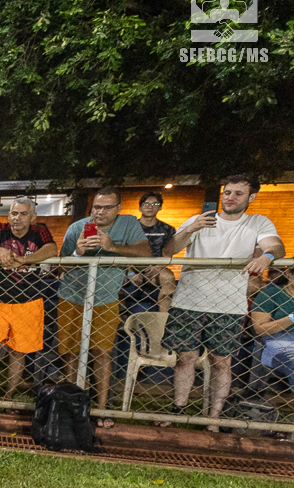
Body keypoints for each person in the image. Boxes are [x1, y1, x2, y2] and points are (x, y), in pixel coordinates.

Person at [162, 174, 284, 424]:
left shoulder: (257, 221)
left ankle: (214, 419)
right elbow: (169, 250)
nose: (230, 197)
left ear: (251, 197)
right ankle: (177, 411)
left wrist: (267, 257)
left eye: (238, 193)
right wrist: (191, 229)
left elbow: (276, 246)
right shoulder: (199, 220)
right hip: (189, 299)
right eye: (227, 192)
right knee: (185, 358)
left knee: (221, 362)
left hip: (229, 304)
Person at [59, 188, 150, 425]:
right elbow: (61, 266)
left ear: (119, 207)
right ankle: (72, 405)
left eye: (107, 207)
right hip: (72, 296)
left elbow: (145, 252)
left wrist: (113, 247)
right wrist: (78, 252)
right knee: (70, 352)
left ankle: (101, 408)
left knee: (102, 352)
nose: (100, 212)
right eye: (97, 207)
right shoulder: (77, 227)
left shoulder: (128, 224)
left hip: (106, 298)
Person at [0, 197, 57, 404]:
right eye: (14, 213)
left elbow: (51, 249)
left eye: (23, 214)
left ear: (33, 217)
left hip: (28, 301)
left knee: (19, 352)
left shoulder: (40, 231)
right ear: (8, 215)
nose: (17, 218)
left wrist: (24, 260)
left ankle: (9, 396)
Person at [129, 191, 177, 312]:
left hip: (157, 267)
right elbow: (123, 252)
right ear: (140, 207)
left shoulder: (167, 229)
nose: (150, 207)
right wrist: (130, 272)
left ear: (160, 207)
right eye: (146, 204)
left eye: (154, 204)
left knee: (168, 277)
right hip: (131, 266)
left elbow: (168, 252)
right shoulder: (130, 228)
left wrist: (158, 268)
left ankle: (163, 318)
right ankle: (121, 316)